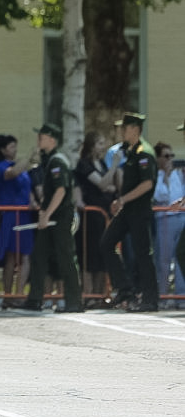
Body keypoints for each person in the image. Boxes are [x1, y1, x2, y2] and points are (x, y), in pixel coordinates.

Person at [101, 113, 158, 311]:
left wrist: (123, 199)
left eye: (124, 128)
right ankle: (125, 289)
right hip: (128, 211)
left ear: (135, 129)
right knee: (107, 243)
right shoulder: (131, 151)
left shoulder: (144, 152)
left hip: (139, 211)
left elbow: (147, 184)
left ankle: (150, 299)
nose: (121, 132)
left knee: (143, 254)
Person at [23, 124, 81, 313]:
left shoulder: (57, 161)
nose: (39, 139)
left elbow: (61, 190)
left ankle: (74, 302)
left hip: (59, 218)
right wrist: (44, 212)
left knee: (65, 259)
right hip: (49, 218)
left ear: (52, 140)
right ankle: (34, 299)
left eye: (42, 136)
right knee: (38, 256)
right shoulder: (49, 160)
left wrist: (46, 214)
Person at [0, 134, 35, 307]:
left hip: (24, 214)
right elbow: (13, 173)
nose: (15, 150)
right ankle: (7, 294)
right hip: (10, 214)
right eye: (11, 147)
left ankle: (19, 293)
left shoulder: (21, 167)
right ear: (2, 150)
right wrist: (29, 157)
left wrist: (32, 201)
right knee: (10, 255)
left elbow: (27, 187)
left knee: (25, 255)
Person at [75, 133, 114, 299]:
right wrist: (115, 166)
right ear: (91, 146)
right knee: (89, 256)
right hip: (90, 216)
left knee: (101, 255)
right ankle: (88, 294)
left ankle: (100, 294)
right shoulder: (84, 164)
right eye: (100, 143)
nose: (103, 147)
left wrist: (109, 184)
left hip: (104, 213)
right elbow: (103, 184)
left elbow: (111, 186)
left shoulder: (102, 164)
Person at [152, 142, 185, 297]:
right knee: (164, 259)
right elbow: (161, 196)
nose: (169, 159)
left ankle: (180, 295)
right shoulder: (156, 175)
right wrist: (165, 175)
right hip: (165, 219)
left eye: (171, 156)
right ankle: (164, 294)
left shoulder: (178, 175)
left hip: (181, 217)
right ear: (158, 158)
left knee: (181, 256)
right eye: (166, 156)